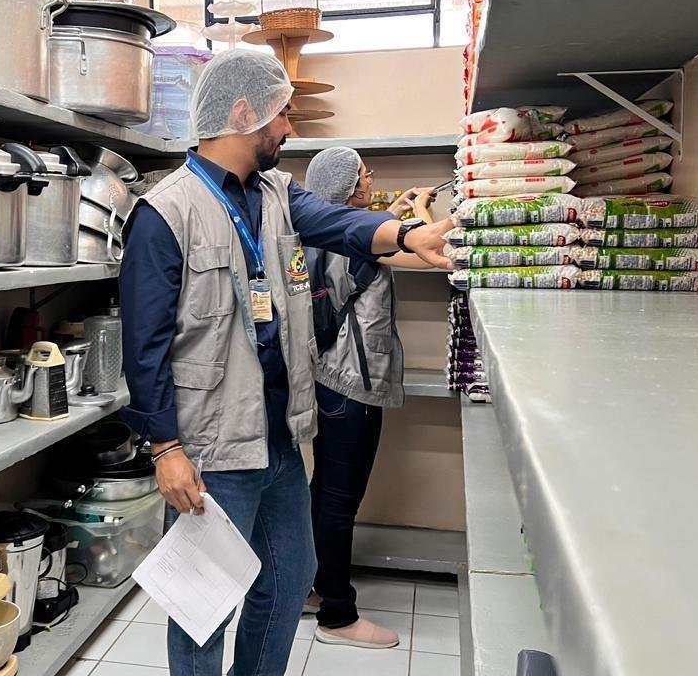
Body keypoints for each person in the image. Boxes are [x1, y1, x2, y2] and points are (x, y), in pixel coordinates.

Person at [119, 49, 455, 676]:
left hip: (278, 439)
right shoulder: (166, 212)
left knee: (287, 577)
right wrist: (165, 450)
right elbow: (144, 349)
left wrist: (406, 235)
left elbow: (336, 224)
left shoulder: (275, 191)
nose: (290, 128)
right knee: (204, 608)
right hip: (210, 453)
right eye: (282, 115)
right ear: (244, 113)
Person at [301, 147, 441, 649]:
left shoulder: (321, 234)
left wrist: (398, 213)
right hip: (352, 387)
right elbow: (426, 251)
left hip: (327, 381)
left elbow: (368, 235)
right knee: (340, 502)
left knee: (323, 494)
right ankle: (337, 616)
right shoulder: (359, 237)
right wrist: (423, 213)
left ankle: (315, 588)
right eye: (364, 174)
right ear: (346, 187)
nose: (371, 177)